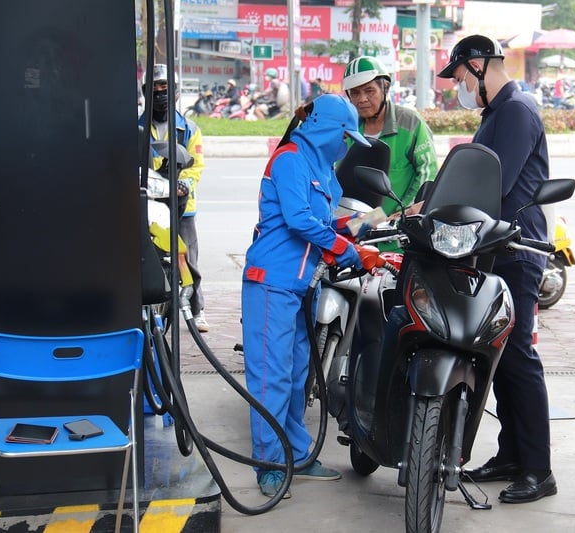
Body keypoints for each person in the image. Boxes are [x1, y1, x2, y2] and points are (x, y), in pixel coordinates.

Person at [437, 34, 556, 504]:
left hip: (517, 250)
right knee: (499, 357)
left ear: (481, 65)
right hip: (492, 249)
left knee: (519, 357)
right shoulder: (497, 113)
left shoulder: (516, 111)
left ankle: (539, 469)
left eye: (462, 75)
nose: (459, 85)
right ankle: (512, 454)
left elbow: (493, 180)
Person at [241, 94, 371, 498]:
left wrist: (366, 226)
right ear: (327, 130)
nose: (346, 145)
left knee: (298, 376)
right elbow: (300, 220)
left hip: (303, 286)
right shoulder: (290, 158)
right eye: (345, 137)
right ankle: (269, 464)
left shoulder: (321, 167)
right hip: (272, 283)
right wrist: (349, 250)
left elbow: (328, 221)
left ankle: (297, 453)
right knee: (271, 376)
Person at [139, 64, 209, 332]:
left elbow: (196, 164)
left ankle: (197, 309)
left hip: (181, 205)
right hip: (148, 202)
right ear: (146, 91)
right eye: (154, 88)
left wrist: (183, 183)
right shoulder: (137, 126)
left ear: (176, 92)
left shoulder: (188, 128)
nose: (160, 92)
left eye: (165, 87)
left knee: (187, 259)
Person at [342, 56, 438, 222]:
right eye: (355, 93)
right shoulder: (346, 128)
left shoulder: (411, 123)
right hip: (354, 228)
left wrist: (405, 212)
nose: (362, 99)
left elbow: (428, 174)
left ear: (385, 88)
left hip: (398, 231)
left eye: (369, 91)